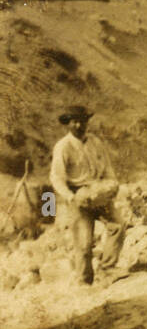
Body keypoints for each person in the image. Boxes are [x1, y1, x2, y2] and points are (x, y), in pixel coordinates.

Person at [49, 104, 125, 285]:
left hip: (99, 192)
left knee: (118, 225)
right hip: (78, 196)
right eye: (74, 122)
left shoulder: (95, 142)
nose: (78, 126)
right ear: (68, 123)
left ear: (87, 122)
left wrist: (111, 185)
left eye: (82, 121)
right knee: (84, 244)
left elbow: (107, 167)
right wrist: (70, 197)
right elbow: (57, 178)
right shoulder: (63, 146)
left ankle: (107, 268)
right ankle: (84, 281)